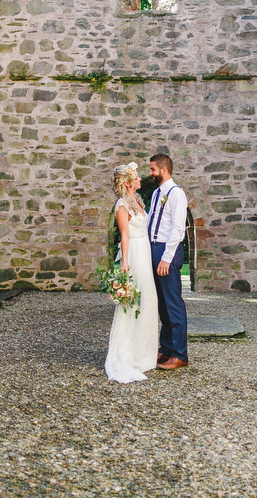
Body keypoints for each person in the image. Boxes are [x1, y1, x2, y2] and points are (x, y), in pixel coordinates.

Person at [104, 162, 159, 383]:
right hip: (135, 253)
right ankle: (128, 354)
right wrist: (124, 264)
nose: (139, 180)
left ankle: (145, 354)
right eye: (136, 178)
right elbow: (124, 235)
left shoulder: (137, 201)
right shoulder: (121, 205)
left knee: (148, 300)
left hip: (144, 249)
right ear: (127, 182)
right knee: (134, 303)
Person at [148, 153, 189, 370]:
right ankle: (165, 349)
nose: (150, 173)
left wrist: (166, 258)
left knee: (173, 304)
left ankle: (180, 354)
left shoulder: (176, 194)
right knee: (162, 305)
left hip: (167, 251)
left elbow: (177, 229)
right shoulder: (156, 193)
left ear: (164, 170)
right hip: (154, 249)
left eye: (153, 169)